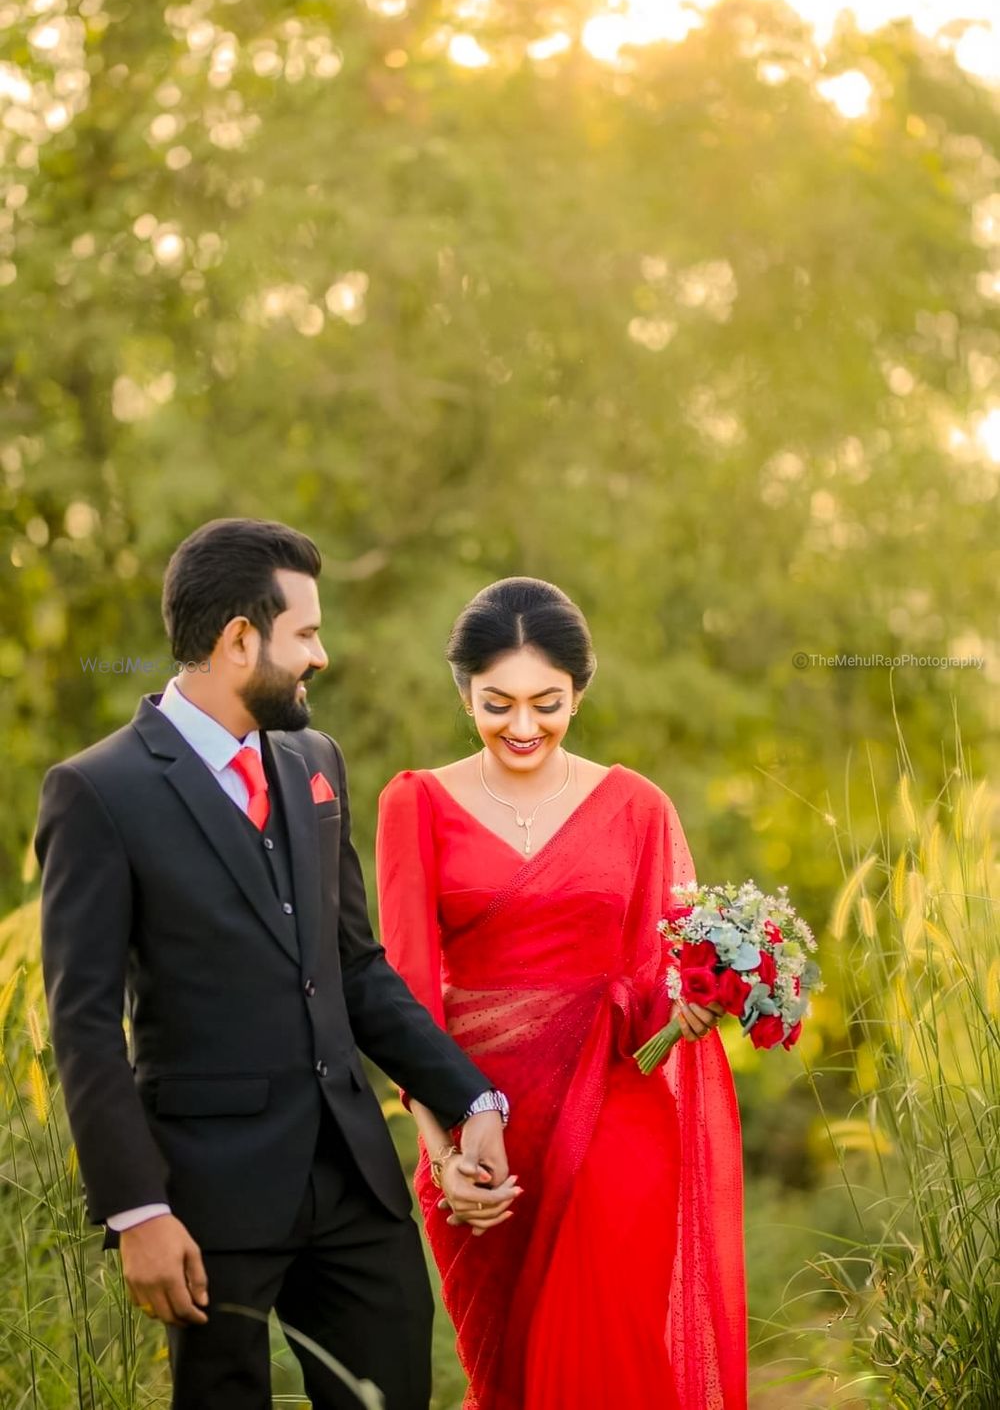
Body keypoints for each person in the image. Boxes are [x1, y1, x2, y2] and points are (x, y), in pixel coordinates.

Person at [34, 518, 518, 1410]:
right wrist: (137, 1212)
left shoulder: (313, 760)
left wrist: (469, 1098)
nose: (321, 656)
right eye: (306, 634)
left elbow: (357, 967)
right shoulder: (99, 791)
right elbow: (85, 1025)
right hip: (207, 1209)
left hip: (355, 1191)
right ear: (239, 641)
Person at [375, 577, 748, 1410]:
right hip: (476, 1132)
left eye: (546, 703)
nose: (521, 726)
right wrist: (441, 1157)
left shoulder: (637, 808)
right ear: (463, 692)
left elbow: (651, 993)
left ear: (579, 690)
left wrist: (691, 1005)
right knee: (505, 1378)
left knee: (605, 1358)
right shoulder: (416, 804)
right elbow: (405, 1004)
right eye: (495, 703)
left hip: (615, 1114)